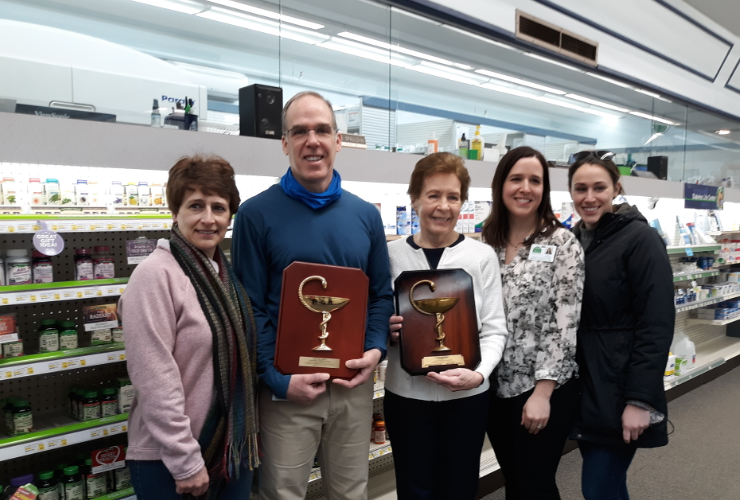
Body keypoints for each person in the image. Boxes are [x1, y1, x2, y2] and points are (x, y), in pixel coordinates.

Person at [231, 91, 394, 500]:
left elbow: (379, 296)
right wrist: (277, 380)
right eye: (299, 131)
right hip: (287, 390)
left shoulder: (365, 216)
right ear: (285, 143)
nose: (312, 140)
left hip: (353, 385)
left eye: (322, 129)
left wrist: (375, 350)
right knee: (281, 492)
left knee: (350, 491)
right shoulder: (254, 215)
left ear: (338, 140)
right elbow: (249, 306)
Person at [121, 156, 258, 500]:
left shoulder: (223, 274)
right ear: (175, 211)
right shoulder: (155, 275)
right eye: (196, 205)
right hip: (170, 461)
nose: (209, 219)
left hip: (229, 451)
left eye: (219, 207)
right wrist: (185, 460)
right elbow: (154, 376)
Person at [385, 152, 508, 499]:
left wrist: (480, 373)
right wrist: (386, 329)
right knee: (413, 488)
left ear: (463, 203)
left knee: (460, 487)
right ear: (414, 199)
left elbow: (495, 329)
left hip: (467, 398)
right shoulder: (391, 257)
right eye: (433, 195)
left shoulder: (480, 257)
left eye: (453, 197)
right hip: (407, 398)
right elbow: (375, 322)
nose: (443, 206)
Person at [568, 151, 673, 500]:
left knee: (598, 489)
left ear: (616, 188)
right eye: (580, 188)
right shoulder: (572, 240)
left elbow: (656, 324)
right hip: (588, 389)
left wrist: (640, 400)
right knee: (609, 488)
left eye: (599, 187)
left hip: (619, 389)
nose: (589, 197)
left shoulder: (640, 240)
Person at [481, 146, 585, 500]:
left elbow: (565, 321)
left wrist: (543, 392)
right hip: (495, 386)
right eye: (516, 179)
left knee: (535, 484)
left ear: (544, 189)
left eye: (535, 180)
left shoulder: (562, 242)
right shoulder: (486, 244)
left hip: (542, 388)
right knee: (515, 480)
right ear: (501, 185)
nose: (525, 188)